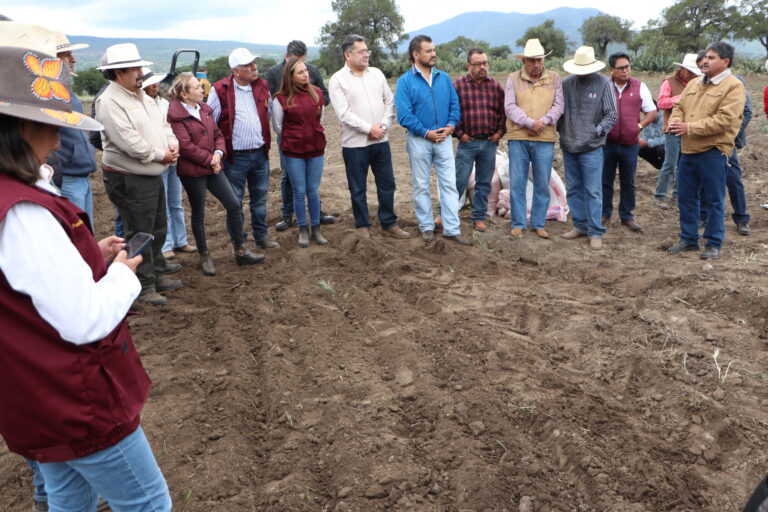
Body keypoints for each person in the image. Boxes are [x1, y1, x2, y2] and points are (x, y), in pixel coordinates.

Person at [0, 22, 171, 511]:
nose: (57, 142)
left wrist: (87, 254)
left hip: (31, 393)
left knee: (66, 498)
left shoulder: (12, 203)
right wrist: (122, 273)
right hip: (74, 399)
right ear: (16, 127)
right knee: (147, 503)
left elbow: (28, 282)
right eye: (50, 126)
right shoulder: (25, 212)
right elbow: (83, 320)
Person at [95, 43, 183, 306]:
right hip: (129, 177)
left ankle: (155, 273)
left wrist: (172, 143)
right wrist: (162, 155)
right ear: (119, 72)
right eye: (135, 68)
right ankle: (142, 285)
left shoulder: (140, 95)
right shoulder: (110, 101)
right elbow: (129, 142)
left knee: (157, 226)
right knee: (139, 231)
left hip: (148, 175)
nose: (141, 72)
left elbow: (163, 124)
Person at [167, 73, 263, 275]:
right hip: (193, 172)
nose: (202, 90)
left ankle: (241, 249)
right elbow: (185, 146)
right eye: (197, 88)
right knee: (199, 212)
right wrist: (210, 160)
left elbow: (218, 134)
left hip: (213, 167)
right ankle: (205, 255)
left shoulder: (205, 109)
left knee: (234, 204)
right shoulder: (175, 115)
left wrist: (218, 154)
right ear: (184, 94)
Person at [666, 41, 746, 260]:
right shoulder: (694, 84)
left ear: (725, 61)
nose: (704, 61)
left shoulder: (733, 86)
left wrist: (688, 127)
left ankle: (713, 242)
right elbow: (679, 107)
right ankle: (689, 239)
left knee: (713, 199)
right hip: (688, 150)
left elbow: (725, 120)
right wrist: (675, 122)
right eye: (704, 58)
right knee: (686, 197)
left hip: (713, 151)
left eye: (710, 58)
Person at [328, 35, 410, 239]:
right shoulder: (338, 80)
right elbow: (344, 114)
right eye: (361, 51)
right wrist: (368, 129)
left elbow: (389, 101)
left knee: (387, 183)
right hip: (355, 144)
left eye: (367, 51)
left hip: (381, 140)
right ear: (348, 55)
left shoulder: (376, 74)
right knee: (358, 187)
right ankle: (362, 225)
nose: (366, 55)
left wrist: (383, 125)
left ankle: (389, 223)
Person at [395, 35, 468, 245]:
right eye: (428, 51)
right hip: (419, 140)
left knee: (448, 184)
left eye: (434, 50)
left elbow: (455, 106)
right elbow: (404, 115)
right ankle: (426, 226)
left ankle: (452, 228)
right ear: (416, 54)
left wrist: (451, 127)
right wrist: (426, 132)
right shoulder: (405, 82)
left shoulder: (444, 78)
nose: (433, 54)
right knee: (420, 185)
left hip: (444, 139)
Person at [207, 47, 279, 254]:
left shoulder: (262, 86)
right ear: (236, 70)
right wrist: (218, 152)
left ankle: (261, 236)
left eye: (254, 63)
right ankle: (239, 243)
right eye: (248, 65)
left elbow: (269, 112)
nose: (254, 67)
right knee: (235, 201)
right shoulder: (220, 89)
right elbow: (212, 122)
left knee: (260, 198)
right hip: (235, 156)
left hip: (259, 152)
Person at [266, 40, 335, 231]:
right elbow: (274, 107)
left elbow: (325, 95)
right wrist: (291, 129)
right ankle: (287, 214)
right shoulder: (273, 73)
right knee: (288, 176)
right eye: (295, 63)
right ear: (286, 57)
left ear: (304, 58)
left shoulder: (312, 70)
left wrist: (313, 106)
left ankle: (316, 213)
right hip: (288, 135)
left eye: (302, 63)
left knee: (312, 182)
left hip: (311, 130)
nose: (303, 71)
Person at [558, 46, 617, 250]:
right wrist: (562, 130)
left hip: (592, 147)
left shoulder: (604, 84)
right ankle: (579, 225)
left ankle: (595, 230)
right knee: (573, 188)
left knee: (593, 190)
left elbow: (611, 114)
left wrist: (597, 131)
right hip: (569, 145)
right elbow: (560, 111)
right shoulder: (566, 84)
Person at [504, 38, 563, 239]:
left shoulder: (555, 78)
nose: (536, 65)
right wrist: (530, 123)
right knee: (518, 181)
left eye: (539, 60)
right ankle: (518, 222)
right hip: (518, 137)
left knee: (542, 182)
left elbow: (558, 106)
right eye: (532, 61)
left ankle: (538, 223)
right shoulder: (513, 79)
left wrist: (543, 122)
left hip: (544, 138)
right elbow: (509, 107)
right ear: (524, 62)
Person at [272, 58, 329, 248]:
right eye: (300, 72)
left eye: (306, 71)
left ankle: (316, 228)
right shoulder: (281, 99)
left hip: (315, 148)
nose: (305, 74)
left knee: (313, 190)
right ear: (290, 76)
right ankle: (302, 229)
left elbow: (321, 119)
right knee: (299, 190)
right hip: (293, 151)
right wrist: (295, 136)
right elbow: (278, 127)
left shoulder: (317, 94)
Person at [142, 69, 197, 259]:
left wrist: (174, 147)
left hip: (173, 158)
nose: (154, 86)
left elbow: (169, 129)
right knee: (163, 204)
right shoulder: (143, 106)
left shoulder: (164, 104)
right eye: (150, 83)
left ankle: (180, 240)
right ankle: (166, 245)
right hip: (159, 160)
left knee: (175, 202)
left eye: (156, 82)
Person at [602, 52, 657, 232]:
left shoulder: (639, 87)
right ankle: (605, 213)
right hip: (607, 143)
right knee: (605, 179)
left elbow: (652, 111)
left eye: (627, 67)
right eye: (621, 68)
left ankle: (627, 215)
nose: (625, 71)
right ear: (612, 70)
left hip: (629, 144)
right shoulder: (604, 86)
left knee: (628, 180)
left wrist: (639, 126)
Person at [48, 32, 99, 226]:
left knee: (86, 233)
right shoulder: (50, 93)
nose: (73, 59)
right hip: (68, 176)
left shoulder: (65, 90)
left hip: (80, 176)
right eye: (66, 54)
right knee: (78, 236)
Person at [453, 47, 506, 233]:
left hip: (489, 143)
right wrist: (460, 134)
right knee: (458, 180)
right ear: (469, 66)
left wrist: (499, 133)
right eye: (478, 64)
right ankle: (447, 214)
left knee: (484, 182)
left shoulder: (495, 86)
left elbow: (503, 113)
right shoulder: (459, 85)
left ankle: (478, 217)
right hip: (467, 143)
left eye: (485, 63)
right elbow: (452, 113)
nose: (483, 67)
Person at [653, 53, 702, 210]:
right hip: (672, 129)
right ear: (682, 69)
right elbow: (661, 103)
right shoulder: (669, 82)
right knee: (670, 163)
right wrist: (681, 98)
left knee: (684, 164)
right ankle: (660, 196)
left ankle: (677, 195)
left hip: (689, 129)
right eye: (690, 71)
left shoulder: (697, 83)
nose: (693, 75)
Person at [638, 101, 666, 170]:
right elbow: (645, 136)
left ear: (656, 110)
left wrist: (647, 143)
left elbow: (666, 139)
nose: (647, 115)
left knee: (662, 149)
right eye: (645, 113)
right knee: (640, 149)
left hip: (669, 146)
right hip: (656, 145)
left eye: (648, 112)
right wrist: (640, 142)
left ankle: (668, 170)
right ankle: (662, 169)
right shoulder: (647, 121)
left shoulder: (665, 118)